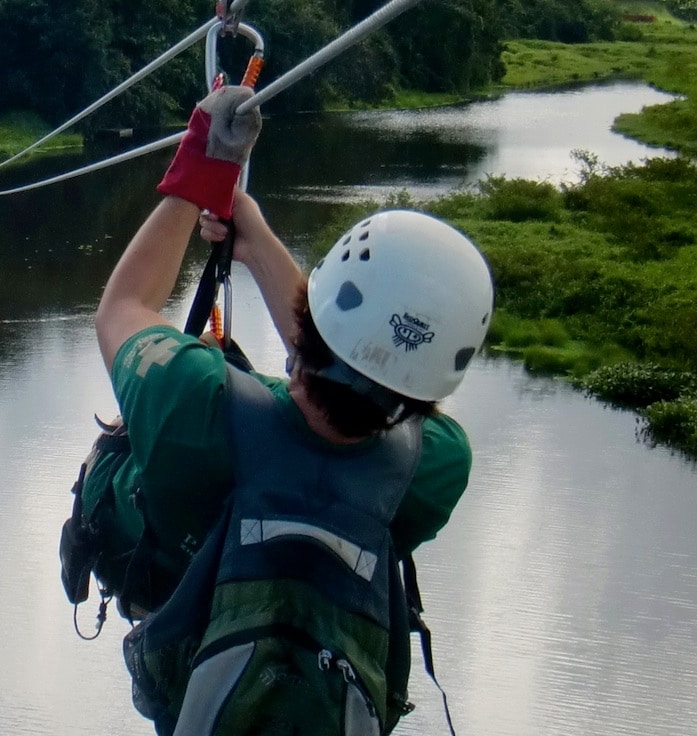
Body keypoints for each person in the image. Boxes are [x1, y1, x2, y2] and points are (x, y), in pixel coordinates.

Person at [63, 80, 490, 682]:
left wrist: (202, 169)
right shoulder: (434, 467)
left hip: (182, 637)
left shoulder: (191, 397)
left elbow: (124, 307)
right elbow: (364, 374)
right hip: (310, 681)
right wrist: (257, 242)